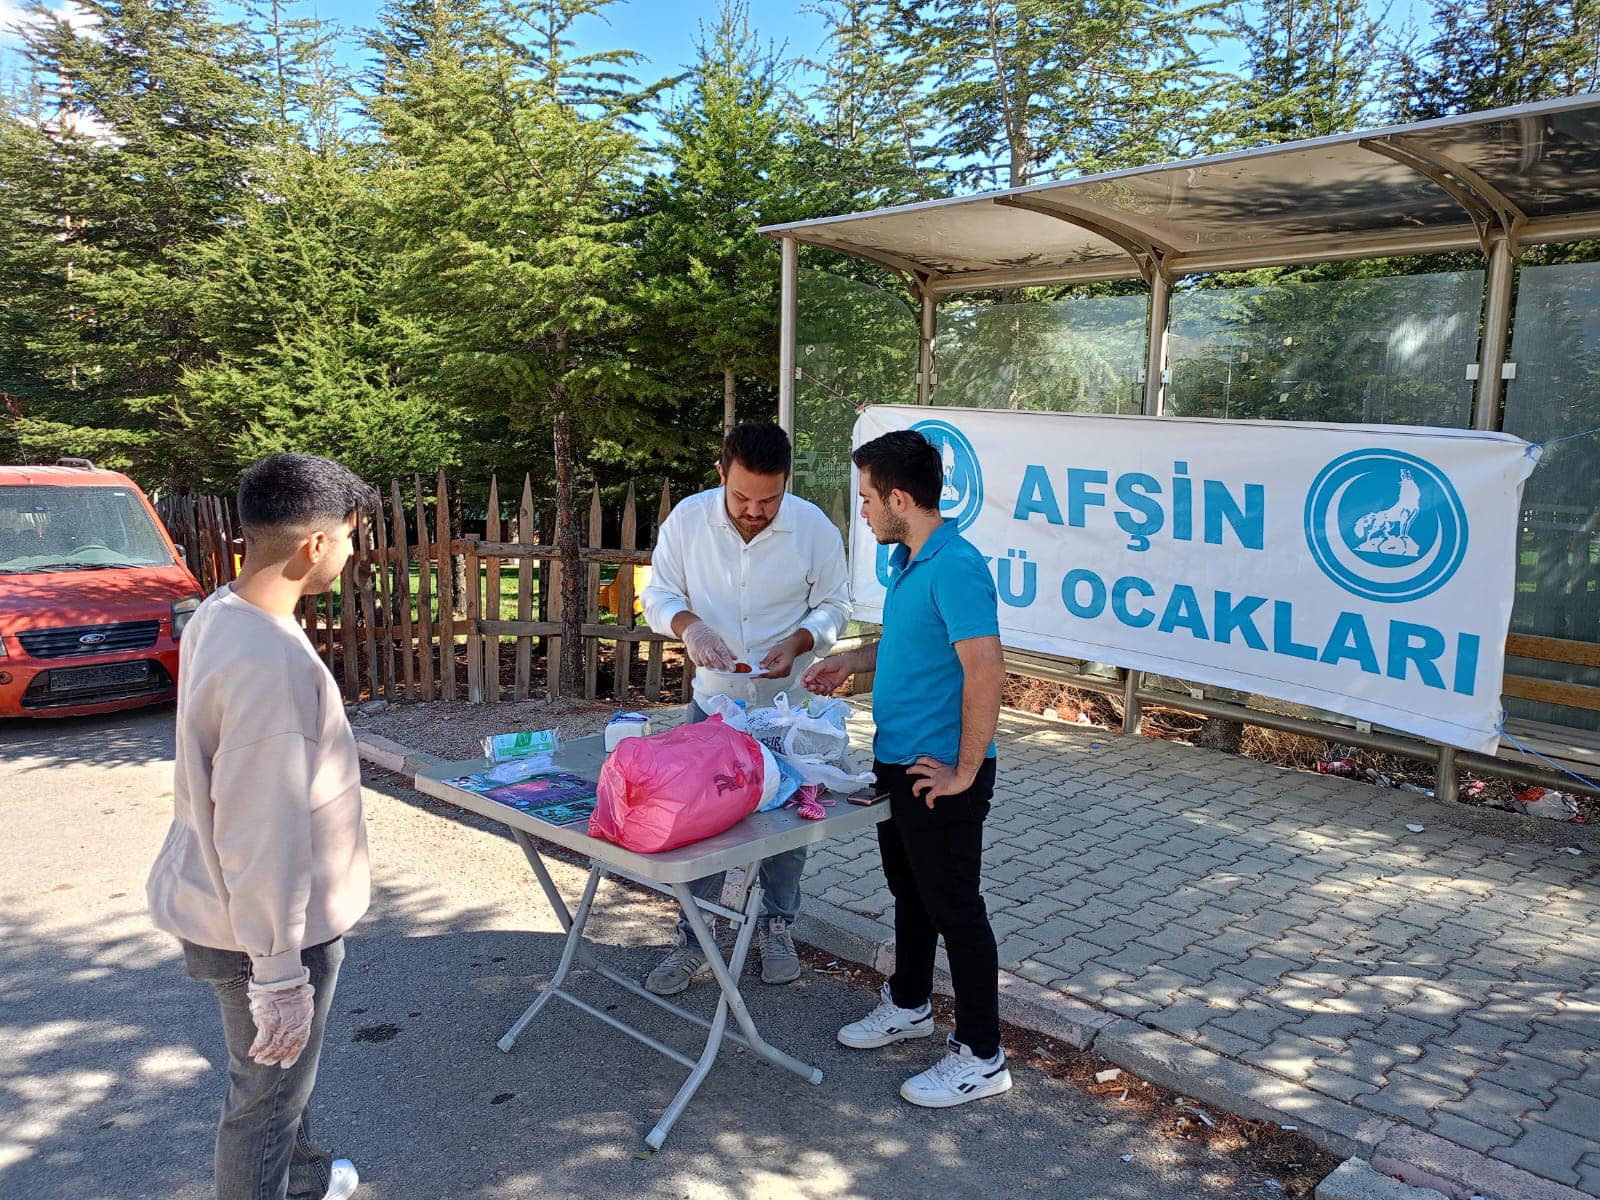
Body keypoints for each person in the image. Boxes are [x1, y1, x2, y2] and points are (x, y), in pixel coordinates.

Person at [147, 453, 378, 1200]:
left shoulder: (224, 610)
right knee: (263, 1102)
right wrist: (278, 973)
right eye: (349, 537)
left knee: (280, 1088)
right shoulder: (270, 660)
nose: (351, 553)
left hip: (239, 914)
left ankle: (305, 1184)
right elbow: (261, 830)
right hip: (268, 931)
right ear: (316, 544)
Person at [802, 429, 1011, 1108]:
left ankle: (983, 1054)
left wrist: (963, 770)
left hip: (940, 773)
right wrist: (851, 665)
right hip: (898, 762)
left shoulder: (956, 564)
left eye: (866, 498)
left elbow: (985, 670)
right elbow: (909, 644)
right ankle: (910, 1003)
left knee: (957, 908)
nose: (861, 511)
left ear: (898, 497)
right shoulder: (911, 559)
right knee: (912, 894)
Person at [640, 420, 850, 994]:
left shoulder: (813, 528)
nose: (755, 511)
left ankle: (777, 927)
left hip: (790, 709)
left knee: (787, 829)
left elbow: (836, 604)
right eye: (741, 498)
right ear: (720, 475)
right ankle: (692, 939)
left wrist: (802, 641)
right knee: (700, 826)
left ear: (787, 482)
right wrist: (691, 628)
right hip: (713, 706)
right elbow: (657, 593)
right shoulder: (687, 519)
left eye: (769, 499)